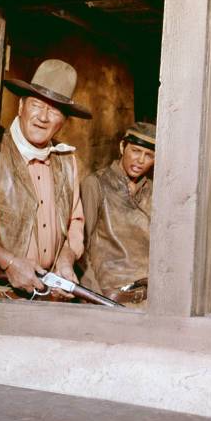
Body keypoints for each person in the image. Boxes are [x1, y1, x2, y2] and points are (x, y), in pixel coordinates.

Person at [0, 59, 91, 301]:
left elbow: (75, 221)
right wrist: (9, 262)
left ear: (64, 121)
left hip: (49, 294)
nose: (43, 117)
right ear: (20, 106)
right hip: (0, 294)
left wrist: (67, 257)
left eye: (54, 110)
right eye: (37, 105)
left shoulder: (66, 160)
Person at [81, 122, 156, 305]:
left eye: (149, 155)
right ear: (122, 147)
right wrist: (94, 297)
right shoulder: (96, 184)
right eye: (136, 151)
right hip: (107, 298)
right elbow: (81, 246)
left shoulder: (156, 191)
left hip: (148, 301)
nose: (140, 160)